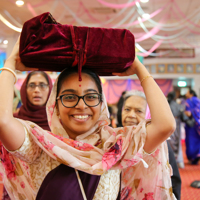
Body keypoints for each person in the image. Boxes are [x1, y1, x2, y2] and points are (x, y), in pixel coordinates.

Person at [0, 38, 176, 200]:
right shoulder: (40, 146)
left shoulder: (117, 147)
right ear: (56, 108)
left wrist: (139, 68)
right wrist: (10, 64)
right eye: (69, 97)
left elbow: (165, 125)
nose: (81, 105)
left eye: (91, 97)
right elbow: (3, 121)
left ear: (102, 105)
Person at [117, 90, 181, 200]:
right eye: (127, 109)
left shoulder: (159, 145)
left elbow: (173, 181)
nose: (131, 115)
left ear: (148, 114)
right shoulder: (115, 138)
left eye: (138, 111)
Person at [1, 71, 53, 200]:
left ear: (50, 89)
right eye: (32, 85)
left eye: (42, 85)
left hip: (52, 191)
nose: (36, 90)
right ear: (24, 89)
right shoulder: (11, 122)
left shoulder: (59, 125)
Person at [167, 91, 185, 169]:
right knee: (177, 143)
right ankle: (179, 162)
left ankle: (169, 162)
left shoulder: (165, 104)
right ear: (175, 97)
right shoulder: (178, 105)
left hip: (167, 124)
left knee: (168, 142)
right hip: (176, 124)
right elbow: (183, 116)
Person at [184, 89, 200, 165]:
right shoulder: (196, 100)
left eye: (187, 92)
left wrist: (191, 113)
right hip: (197, 125)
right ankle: (196, 156)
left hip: (191, 125)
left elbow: (192, 112)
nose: (186, 93)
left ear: (191, 93)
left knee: (191, 141)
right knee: (196, 141)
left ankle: (193, 157)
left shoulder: (190, 100)